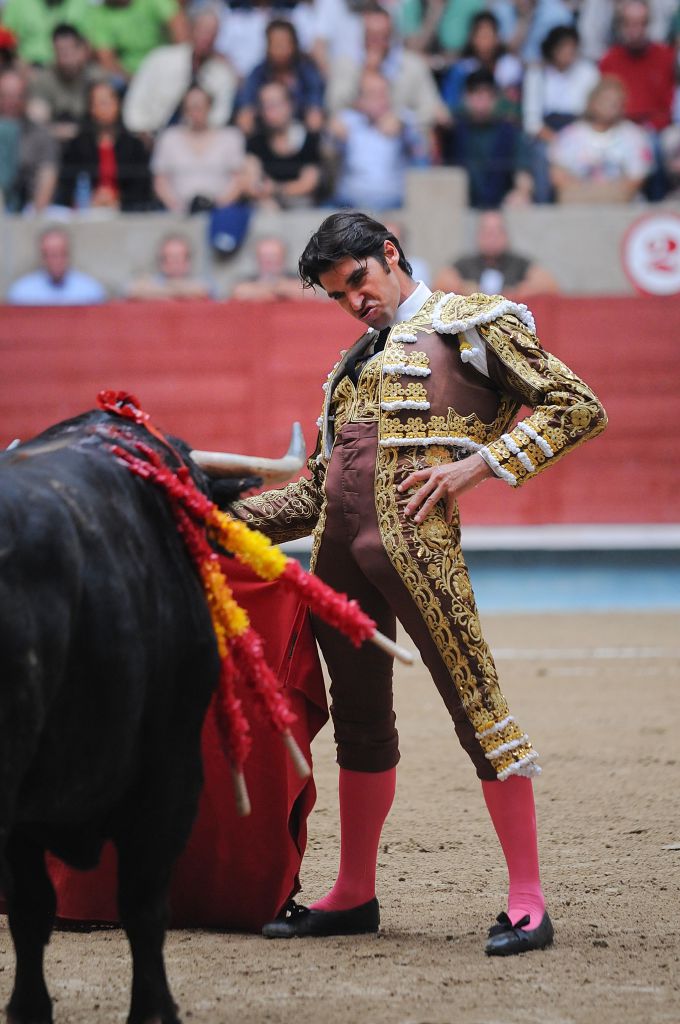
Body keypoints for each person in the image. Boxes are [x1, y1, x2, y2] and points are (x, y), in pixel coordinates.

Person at [234, 210, 607, 954]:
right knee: (361, 723)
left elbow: (578, 407)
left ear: (390, 254)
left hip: (421, 554)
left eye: (359, 282)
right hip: (337, 564)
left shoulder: (473, 324)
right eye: (339, 296)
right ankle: (354, 892)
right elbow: (316, 493)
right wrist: (221, 520)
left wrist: (480, 465)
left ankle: (528, 901)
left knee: (478, 706)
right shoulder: (350, 367)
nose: (355, 302)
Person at [326, 5, 449, 135]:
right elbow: (334, 106)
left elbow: (433, 109)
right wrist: (366, 74)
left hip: (402, 141)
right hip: (356, 138)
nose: (376, 42)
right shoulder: (346, 64)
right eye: (371, 36)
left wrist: (402, 121)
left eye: (382, 36)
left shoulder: (413, 65)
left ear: (391, 35)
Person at [122, 6, 237, 135]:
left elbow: (220, 117)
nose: (207, 37)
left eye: (212, 33)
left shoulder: (222, 74)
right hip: (149, 133)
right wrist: (141, 131)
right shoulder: (160, 59)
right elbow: (136, 99)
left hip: (197, 139)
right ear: (192, 29)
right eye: (203, 30)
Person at [327, 69, 426, 211]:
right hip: (349, 203)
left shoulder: (402, 119)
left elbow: (422, 148)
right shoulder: (347, 120)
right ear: (359, 100)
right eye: (373, 94)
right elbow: (329, 141)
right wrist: (331, 130)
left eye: (383, 93)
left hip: (392, 204)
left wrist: (403, 126)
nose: (381, 100)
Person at [522, 25, 600, 202]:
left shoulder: (588, 72)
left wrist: (573, 140)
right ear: (552, 49)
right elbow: (532, 123)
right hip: (548, 135)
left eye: (571, 48)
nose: (568, 52)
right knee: (542, 154)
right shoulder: (537, 74)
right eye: (563, 47)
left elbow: (592, 113)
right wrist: (558, 141)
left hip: (580, 133)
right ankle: (543, 203)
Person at [151, 85, 255, 214]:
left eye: (200, 106)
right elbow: (160, 180)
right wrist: (179, 209)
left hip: (222, 213)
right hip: (177, 215)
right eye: (190, 107)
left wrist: (217, 206)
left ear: (209, 107)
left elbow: (239, 179)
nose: (195, 112)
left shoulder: (231, 137)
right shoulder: (169, 138)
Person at [548, 76, 653, 203]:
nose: (610, 105)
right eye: (605, 100)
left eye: (616, 102)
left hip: (622, 204)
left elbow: (636, 178)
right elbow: (558, 176)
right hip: (578, 204)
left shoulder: (634, 135)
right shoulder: (570, 135)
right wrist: (587, 194)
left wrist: (608, 194)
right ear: (592, 102)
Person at [439, 69, 533, 209]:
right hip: (460, 208)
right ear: (465, 97)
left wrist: (521, 193)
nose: (481, 99)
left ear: (495, 98)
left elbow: (523, 175)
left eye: (487, 93)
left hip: (500, 210)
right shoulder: (452, 130)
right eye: (475, 93)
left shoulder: (510, 132)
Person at [54, 81, 151, 212]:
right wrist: (91, 199)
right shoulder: (77, 146)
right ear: (91, 108)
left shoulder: (133, 146)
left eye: (107, 102)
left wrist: (118, 200)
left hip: (125, 212)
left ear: (118, 105)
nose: (104, 108)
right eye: (98, 103)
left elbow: (141, 187)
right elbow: (67, 185)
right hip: (87, 211)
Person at [434, 210, 559, 297]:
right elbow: (440, 284)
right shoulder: (465, 263)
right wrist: (465, 289)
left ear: (506, 236)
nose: (492, 238)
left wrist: (516, 292)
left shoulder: (519, 263)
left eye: (497, 233)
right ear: (478, 236)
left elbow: (550, 285)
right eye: (487, 233)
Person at [234, 19, 325, 137]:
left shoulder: (307, 71)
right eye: (275, 43)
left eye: (283, 43)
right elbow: (246, 102)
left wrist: (312, 112)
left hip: (299, 130)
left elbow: (315, 102)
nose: (279, 48)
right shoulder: (258, 73)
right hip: (265, 133)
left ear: (294, 45)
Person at [599, 0, 675, 133]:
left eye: (641, 23)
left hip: (660, 130)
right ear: (620, 25)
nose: (636, 31)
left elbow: (671, 106)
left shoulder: (666, 57)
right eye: (629, 24)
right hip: (620, 129)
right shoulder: (609, 60)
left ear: (649, 24)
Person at [246, 81, 322, 210]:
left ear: (290, 105)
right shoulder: (255, 142)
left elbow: (309, 184)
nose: (270, 111)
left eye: (274, 104)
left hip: (302, 207)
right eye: (264, 105)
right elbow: (251, 183)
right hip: (266, 205)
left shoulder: (309, 139)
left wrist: (276, 189)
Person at [29, 24, 107, 144]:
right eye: (60, 51)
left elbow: (106, 118)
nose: (66, 56)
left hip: (90, 140)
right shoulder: (43, 79)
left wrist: (80, 131)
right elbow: (37, 122)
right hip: (53, 140)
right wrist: (57, 130)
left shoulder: (96, 77)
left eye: (70, 49)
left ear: (81, 50)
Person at [81, 0, 187, 82]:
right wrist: (137, 83)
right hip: (131, 79)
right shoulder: (98, 15)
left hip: (168, 68)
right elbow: (107, 60)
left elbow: (180, 31)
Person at [0, 68, 59, 213]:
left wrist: (34, 216)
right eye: (5, 96)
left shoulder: (40, 134)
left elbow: (48, 175)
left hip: (28, 211)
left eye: (17, 96)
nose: (11, 102)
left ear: (26, 98)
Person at [7, 226, 106, 305]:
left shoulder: (90, 291)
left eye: (61, 254)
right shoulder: (21, 293)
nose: (57, 261)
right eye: (51, 255)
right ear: (42, 257)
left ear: (69, 254)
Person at [127, 234, 214, 300]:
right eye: (169, 257)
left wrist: (157, 292)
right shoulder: (152, 280)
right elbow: (131, 290)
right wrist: (179, 291)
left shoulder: (200, 280)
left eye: (179, 257)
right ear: (161, 261)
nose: (174, 262)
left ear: (188, 261)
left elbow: (207, 290)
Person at [230, 236, 311, 301]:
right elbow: (237, 292)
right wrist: (276, 290)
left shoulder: (298, 278)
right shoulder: (246, 280)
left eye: (274, 256)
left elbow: (311, 292)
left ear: (284, 258)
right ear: (257, 259)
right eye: (264, 256)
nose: (269, 261)